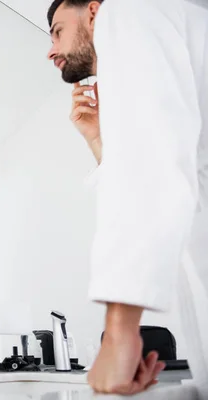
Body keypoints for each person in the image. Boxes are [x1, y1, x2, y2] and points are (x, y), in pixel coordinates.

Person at [46, 0, 208, 396]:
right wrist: (100, 142)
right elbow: (172, 172)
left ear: (94, 11)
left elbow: (150, 166)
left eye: (57, 31)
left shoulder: (128, 10)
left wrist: (119, 332)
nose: (50, 50)